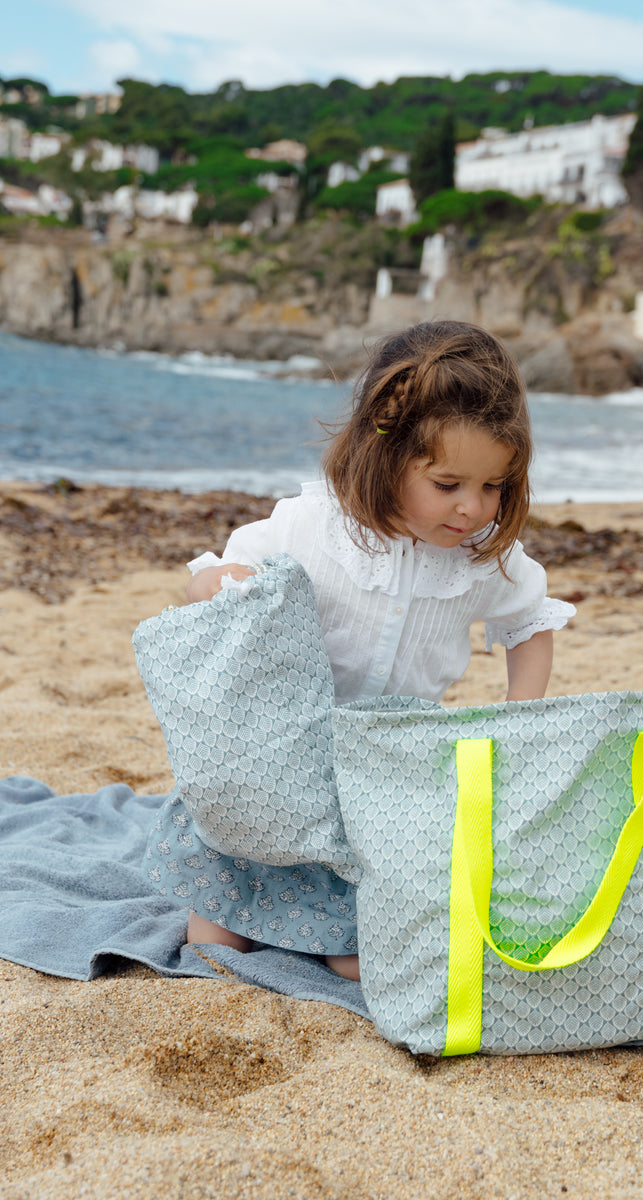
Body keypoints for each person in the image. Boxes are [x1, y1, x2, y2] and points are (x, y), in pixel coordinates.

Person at [179, 320, 575, 980]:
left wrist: (519, 715)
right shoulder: (314, 525)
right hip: (284, 752)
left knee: (355, 964)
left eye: (494, 486)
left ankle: (328, 928)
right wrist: (226, 585)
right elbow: (211, 572)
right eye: (448, 485)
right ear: (385, 451)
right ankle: (244, 921)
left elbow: (530, 623)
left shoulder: (483, 559)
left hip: (389, 769)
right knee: (213, 940)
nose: (474, 508)